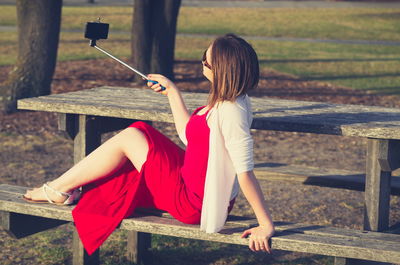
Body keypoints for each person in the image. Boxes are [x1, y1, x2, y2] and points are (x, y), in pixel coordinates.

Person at [23, 34, 275, 255]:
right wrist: (173, 92)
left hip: (194, 202)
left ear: (221, 69)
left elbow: (245, 173)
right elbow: (190, 138)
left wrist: (265, 224)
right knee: (139, 131)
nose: (202, 64)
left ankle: (57, 189)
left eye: (205, 61)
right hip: (192, 183)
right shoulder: (226, 99)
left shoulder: (232, 112)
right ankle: (62, 187)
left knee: (131, 137)